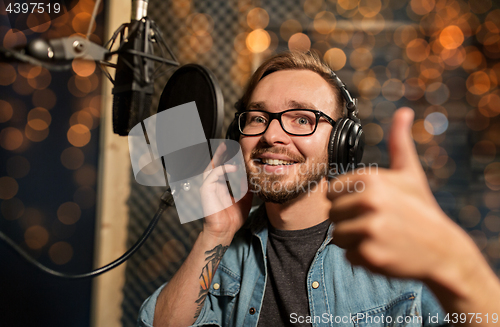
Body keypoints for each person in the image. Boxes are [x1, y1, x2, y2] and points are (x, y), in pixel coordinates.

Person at [137, 51, 500, 327]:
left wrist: (455, 257)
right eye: (258, 117)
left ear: (342, 143)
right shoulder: (230, 249)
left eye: (302, 119)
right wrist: (215, 231)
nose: (272, 135)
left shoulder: (394, 245)